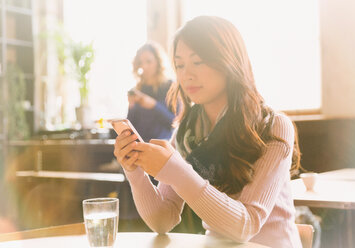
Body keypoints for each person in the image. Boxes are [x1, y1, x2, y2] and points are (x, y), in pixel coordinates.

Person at [114, 16, 302, 247]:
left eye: (199, 62)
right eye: (180, 65)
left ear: (228, 61)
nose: (187, 75)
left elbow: (247, 226)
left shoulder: (273, 126)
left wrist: (177, 170)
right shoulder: (187, 131)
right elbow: (162, 220)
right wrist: (135, 172)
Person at [126, 41, 175, 142]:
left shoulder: (170, 87)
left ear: (158, 62)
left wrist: (154, 105)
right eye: (141, 62)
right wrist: (131, 107)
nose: (144, 66)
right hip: (140, 145)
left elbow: (175, 122)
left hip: (162, 145)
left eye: (148, 61)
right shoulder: (138, 90)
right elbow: (131, 126)